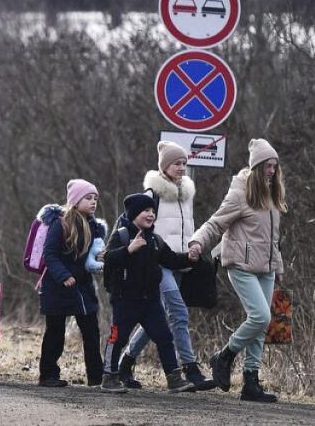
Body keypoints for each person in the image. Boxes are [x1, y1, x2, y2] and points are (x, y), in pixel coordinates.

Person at [188, 138, 286, 403]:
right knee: (260, 317)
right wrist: (197, 241)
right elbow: (215, 223)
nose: (271, 171)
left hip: (265, 269)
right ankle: (224, 357)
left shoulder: (272, 194)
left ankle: (251, 382)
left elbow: (272, 238)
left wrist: (277, 266)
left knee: (261, 323)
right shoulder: (240, 193)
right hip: (240, 265)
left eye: (275, 166)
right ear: (256, 166)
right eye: (267, 165)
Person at [119, 141, 215, 391]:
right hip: (158, 263)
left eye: (184, 163)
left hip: (181, 262)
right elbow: (130, 221)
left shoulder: (186, 193)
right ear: (164, 167)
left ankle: (125, 362)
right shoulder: (153, 193)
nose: (182, 168)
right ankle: (190, 368)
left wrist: (193, 247)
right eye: (177, 163)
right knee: (179, 315)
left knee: (156, 319)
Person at [101, 193, 196, 394]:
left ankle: (174, 378)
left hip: (150, 301)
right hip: (125, 300)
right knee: (117, 338)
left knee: (164, 337)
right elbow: (108, 258)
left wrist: (190, 258)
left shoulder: (155, 240)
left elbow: (172, 260)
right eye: (146, 210)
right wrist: (129, 249)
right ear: (134, 213)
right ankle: (109, 377)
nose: (151, 214)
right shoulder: (122, 235)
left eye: (153, 211)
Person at [37, 179, 106, 388]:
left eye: (95, 198)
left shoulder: (94, 227)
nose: (93, 202)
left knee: (91, 332)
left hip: (82, 288)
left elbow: (90, 257)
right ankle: (48, 374)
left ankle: (96, 376)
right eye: (88, 198)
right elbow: (50, 254)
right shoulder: (61, 223)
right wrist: (63, 275)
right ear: (75, 201)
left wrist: (99, 259)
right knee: (55, 333)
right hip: (57, 287)